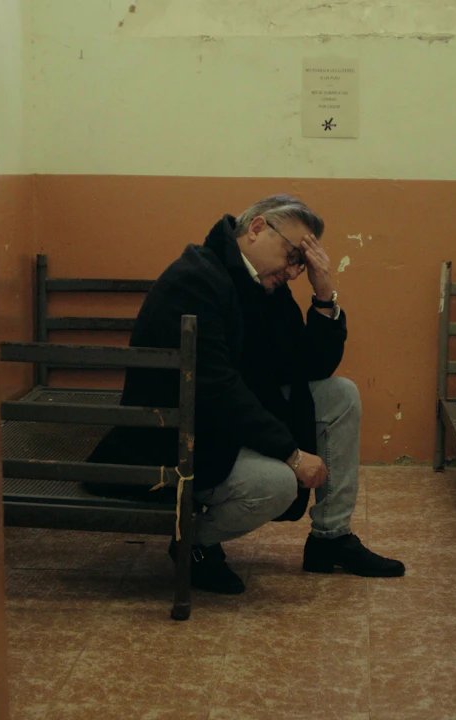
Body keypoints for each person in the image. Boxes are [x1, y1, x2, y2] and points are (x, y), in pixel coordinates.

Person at [88, 195, 404, 593]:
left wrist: (324, 298)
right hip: (178, 437)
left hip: (223, 423)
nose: (294, 272)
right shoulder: (196, 279)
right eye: (293, 256)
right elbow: (216, 389)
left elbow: (307, 367)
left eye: (302, 264)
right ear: (256, 229)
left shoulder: (262, 284)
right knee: (277, 484)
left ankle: (331, 538)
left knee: (340, 395)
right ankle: (195, 543)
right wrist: (291, 453)